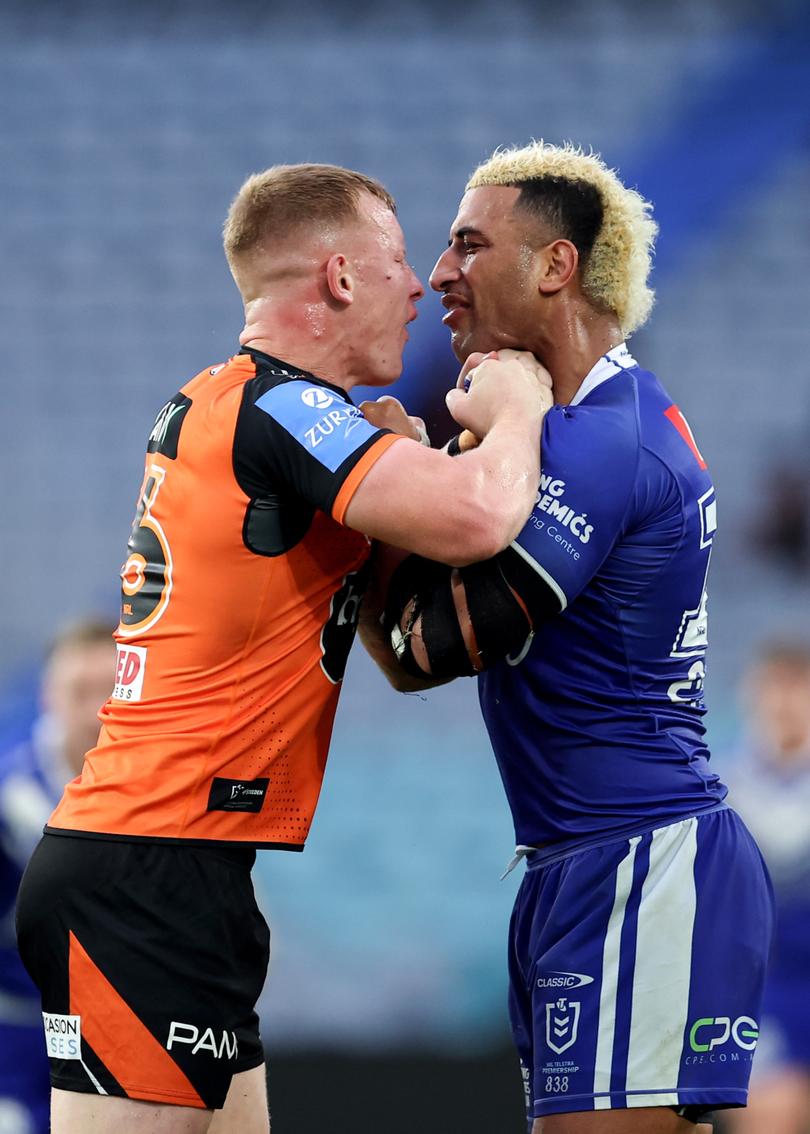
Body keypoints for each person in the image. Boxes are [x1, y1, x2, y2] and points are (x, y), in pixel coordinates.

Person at [15, 163, 553, 1134]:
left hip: (193, 869)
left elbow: (395, 655)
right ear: (340, 278)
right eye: (396, 261)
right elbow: (479, 518)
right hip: (148, 866)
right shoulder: (279, 410)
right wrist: (520, 406)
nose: (420, 285)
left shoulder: (241, 408)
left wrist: (394, 493)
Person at [362, 141, 774, 1133]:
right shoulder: (570, 431)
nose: (440, 275)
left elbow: (425, 649)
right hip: (586, 860)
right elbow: (407, 658)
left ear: (554, 265)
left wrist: (381, 498)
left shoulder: (602, 442)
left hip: (639, 860)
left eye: (469, 245)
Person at [0, 619, 114, 1134]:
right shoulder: (7, 797)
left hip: (130, 1037)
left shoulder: (173, 796)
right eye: (80, 691)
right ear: (49, 695)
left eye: (111, 691)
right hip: (18, 1036)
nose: (97, 710)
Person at [725, 644, 810, 1134]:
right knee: (772, 1116)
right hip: (767, 986)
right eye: (773, 688)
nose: (784, 704)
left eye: (796, 688)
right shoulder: (720, 790)